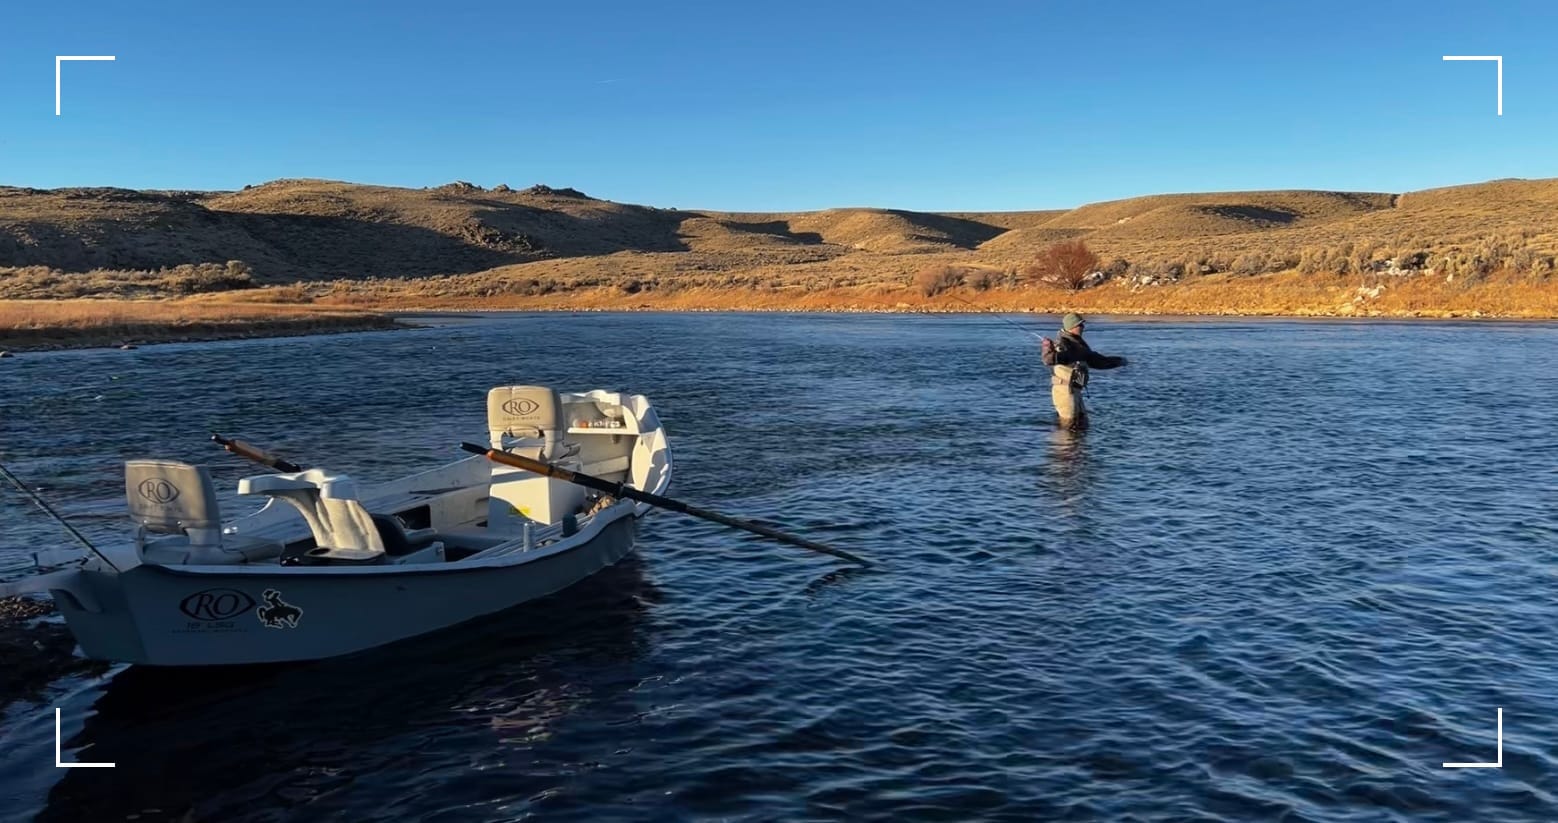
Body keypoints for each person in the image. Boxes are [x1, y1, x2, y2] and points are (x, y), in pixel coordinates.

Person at [1048, 312, 1126, 429]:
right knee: (1068, 426)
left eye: (1082, 325)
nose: (1083, 327)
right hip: (1064, 391)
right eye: (1080, 325)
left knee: (1082, 424)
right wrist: (1053, 350)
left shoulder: (1078, 344)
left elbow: (1096, 361)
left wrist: (1118, 361)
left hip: (1075, 391)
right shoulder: (1063, 344)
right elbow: (1048, 359)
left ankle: (1079, 447)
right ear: (1071, 327)